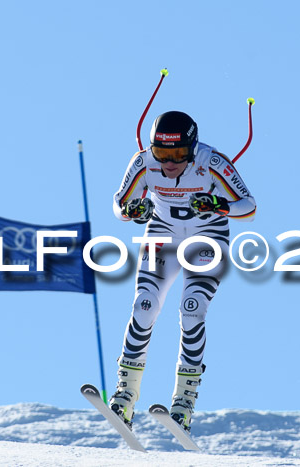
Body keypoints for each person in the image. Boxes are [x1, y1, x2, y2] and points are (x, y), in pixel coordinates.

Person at [109, 110, 256, 431]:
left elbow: (249, 206)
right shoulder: (143, 163)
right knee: (143, 307)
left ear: (192, 148)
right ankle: (125, 395)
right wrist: (131, 210)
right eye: (162, 153)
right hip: (162, 235)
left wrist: (217, 205)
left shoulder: (212, 162)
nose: (169, 163)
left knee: (192, 310)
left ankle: (184, 401)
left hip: (208, 238)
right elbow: (120, 203)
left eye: (178, 154)